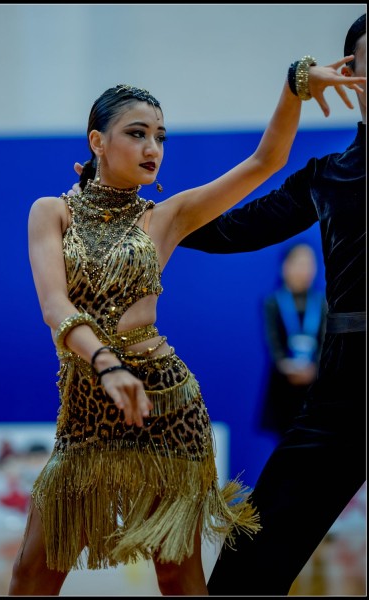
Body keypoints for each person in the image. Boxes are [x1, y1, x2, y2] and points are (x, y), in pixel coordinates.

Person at [9, 55, 365, 597]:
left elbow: (266, 161)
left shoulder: (166, 216)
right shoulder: (51, 212)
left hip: (166, 406)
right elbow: (55, 306)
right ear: (97, 141)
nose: (152, 147)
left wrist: (295, 85)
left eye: (160, 137)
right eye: (137, 133)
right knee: (33, 572)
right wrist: (105, 364)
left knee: (177, 574)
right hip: (86, 405)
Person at [180, 13, 366, 595]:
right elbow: (229, 228)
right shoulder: (328, 177)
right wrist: (137, 212)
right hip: (347, 384)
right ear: (349, 74)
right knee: (248, 566)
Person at [257, 243, 327, 441]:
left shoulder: (322, 303)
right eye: (299, 263)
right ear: (285, 266)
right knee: (284, 441)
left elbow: (326, 342)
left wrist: (316, 367)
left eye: (309, 264)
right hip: (282, 385)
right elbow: (273, 342)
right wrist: (284, 364)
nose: (304, 270)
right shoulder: (273, 302)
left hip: (314, 385)